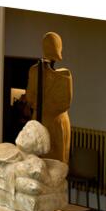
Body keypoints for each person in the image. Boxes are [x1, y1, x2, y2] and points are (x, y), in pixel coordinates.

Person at [26, 32, 73, 164]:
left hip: (48, 121)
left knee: (52, 164)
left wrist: (42, 105)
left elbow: (64, 103)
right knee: (46, 163)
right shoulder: (37, 71)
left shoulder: (63, 75)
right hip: (52, 122)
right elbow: (63, 103)